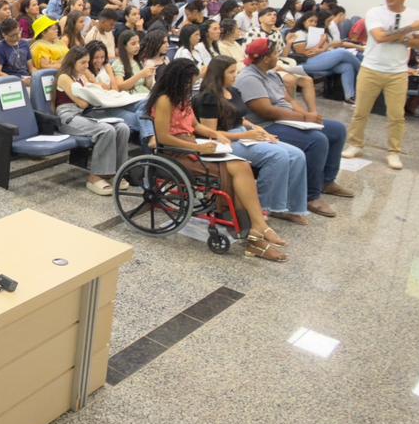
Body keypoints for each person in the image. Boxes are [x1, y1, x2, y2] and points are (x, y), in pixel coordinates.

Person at [147, 59, 289, 262]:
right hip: (174, 151)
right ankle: (255, 234)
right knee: (234, 173)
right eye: (189, 82)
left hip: (192, 145)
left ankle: (257, 227)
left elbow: (195, 125)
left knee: (241, 166)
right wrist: (197, 147)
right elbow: (163, 138)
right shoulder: (163, 101)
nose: (191, 86)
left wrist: (215, 135)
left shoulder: (183, 98)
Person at [235, 39, 353, 217]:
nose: (278, 57)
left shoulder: (271, 74)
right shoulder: (249, 78)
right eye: (275, 54)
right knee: (316, 140)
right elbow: (266, 111)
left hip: (288, 120)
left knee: (337, 130)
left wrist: (308, 119)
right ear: (266, 58)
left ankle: (327, 181)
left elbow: (289, 100)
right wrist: (304, 117)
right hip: (267, 125)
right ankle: (310, 196)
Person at [195, 56, 310, 225]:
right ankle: (263, 206)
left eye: (236, 71)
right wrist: (244, 136)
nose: (236, 75)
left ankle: (289, 207)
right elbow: (210, 132)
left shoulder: (233, 91)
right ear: (219, 74)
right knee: (277, 156)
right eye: (231, 72)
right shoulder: (208, 98)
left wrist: (257, 129)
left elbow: (239, 117)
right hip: (226, 142)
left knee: (297, 154)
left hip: (243, 134)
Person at [343, 0, 419, 170]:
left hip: (397, 72)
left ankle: (394, 152)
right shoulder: (375, 12)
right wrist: (408, 30)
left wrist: (401, 37)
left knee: (396, 115)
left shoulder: (416, 15)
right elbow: (379, 38)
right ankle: (355, 144)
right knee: (360, 111)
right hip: (371, 68)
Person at [53, 47, 132, 195]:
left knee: (122, 127)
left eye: (87, 62)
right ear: (73, 61)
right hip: (68, 116)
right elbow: (82, 103)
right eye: (83, 62)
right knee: (106, 130)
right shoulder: (64, 77)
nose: (86, 66)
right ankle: (95, 177)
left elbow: (87, 99)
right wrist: (93, 96)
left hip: (84, 114)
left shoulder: (80, 77)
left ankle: (116, 172)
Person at [287, 11, 361, 103]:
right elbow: (305, 53)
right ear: (303, 22)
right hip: (303, 62)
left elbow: (319, 50)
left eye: (315, 22)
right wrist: (321, 46)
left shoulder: (314, 33)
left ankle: (350, 96)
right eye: (311, 21)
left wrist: (321, 47)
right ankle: (362, 71)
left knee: (347, 66)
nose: (313, 24)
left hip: (317, 60)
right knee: (342, 52)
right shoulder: (299, 33)